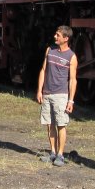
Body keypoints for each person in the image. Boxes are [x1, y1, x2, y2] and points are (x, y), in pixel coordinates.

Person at [36, 26, 78, 165]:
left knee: (61, 124)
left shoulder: (71, 57)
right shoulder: (50, 50)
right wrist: (39, 90)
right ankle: (53, 153)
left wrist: (71, 101)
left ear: (66, 38)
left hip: (61, 95)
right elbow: (43, 70)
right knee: (50, 124)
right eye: (56, 34)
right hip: (47, 93)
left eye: (58, 35)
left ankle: (60, 155)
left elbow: (73, 80)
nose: (55, 36)